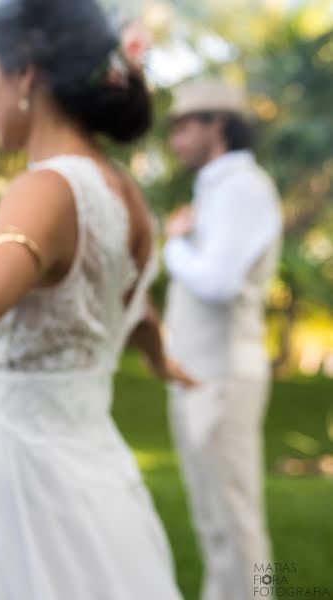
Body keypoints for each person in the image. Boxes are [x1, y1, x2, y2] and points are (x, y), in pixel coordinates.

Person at [163, 77, 280, 600]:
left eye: (186, 125)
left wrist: (173, 245)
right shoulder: (215, 190)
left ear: (219, 125)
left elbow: (217, 281)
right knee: (214, 522)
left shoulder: (242, 189)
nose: (176, 139)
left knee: (238, 521)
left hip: (223, 376)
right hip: (197, 375)